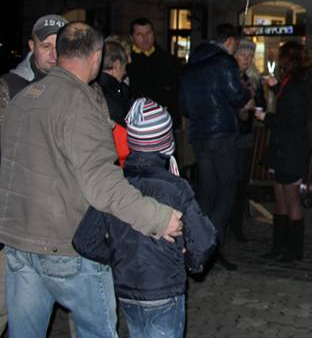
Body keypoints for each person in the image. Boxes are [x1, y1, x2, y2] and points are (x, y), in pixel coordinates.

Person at [0, 21, 182, 338]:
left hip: (19, 242)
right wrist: (158, 218)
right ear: (96, 57)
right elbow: (102, 184)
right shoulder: (79, 104)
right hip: (65, 247)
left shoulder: (23, 98)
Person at [73, 98, 217, 338]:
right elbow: (204, 241)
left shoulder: (115, 185)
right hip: (163, 290)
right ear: (165, 142)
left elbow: (85, 240)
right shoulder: (175, 188)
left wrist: (119, 257)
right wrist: (190, 261)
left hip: (126, 290)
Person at [0, 13, 65, 334]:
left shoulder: (79, 88)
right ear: (31, 46)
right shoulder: (10, 88)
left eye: (60, 46)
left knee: (90, 310)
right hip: (18, 221)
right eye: (45, 46)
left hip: (65, 223)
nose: (53, 54)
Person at [179, 23, 249, 270]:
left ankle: (197, 242)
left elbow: (185, 106)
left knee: (206, 191)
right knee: (226, 190)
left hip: (199, 135)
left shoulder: (192, 64)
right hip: (222, 134)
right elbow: (237, 96)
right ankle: (212, 245)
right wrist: (246, 95)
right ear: (230, 42)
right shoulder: (224, 62)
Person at [255, 41, 312, 262]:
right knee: (281, 197)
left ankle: (293, 250)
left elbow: (292, 119)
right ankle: (279, 246)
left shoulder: (299, 83)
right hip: (284, 148)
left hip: (292, 148)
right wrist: (275, 86)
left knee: (291, 199)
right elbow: (291, 103)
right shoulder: (298, 80)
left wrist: (267, 117)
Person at [230, 38, 264, 243]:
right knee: (229, 182)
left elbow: (259, 104)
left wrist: (255, 106)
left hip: (245, 135)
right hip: (230, 135)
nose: (246, 59)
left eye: (250, 56)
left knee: (241, 182)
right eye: (242, 55)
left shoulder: (253, 79)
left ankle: (237, 225)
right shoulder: (229, 76)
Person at [127, 17, 181, 125]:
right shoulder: (126, 61)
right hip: (136, 120)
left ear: (154, 34)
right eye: (139, 35)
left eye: (148, 33)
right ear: (132, 38)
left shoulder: (167, 59)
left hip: (163, 119)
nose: (145, 38)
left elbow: (176, 90)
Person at [97, 40, 134, 166]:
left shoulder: (91, 86)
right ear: (117, 65)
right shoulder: (114, 93)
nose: (125, 73)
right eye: (124, 67)